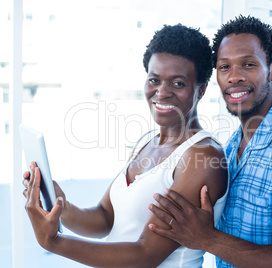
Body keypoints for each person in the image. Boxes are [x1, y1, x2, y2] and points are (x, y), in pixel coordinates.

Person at [22, 24, 228, 268]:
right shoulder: (147, 142)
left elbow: (146, 254)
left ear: (201, 90)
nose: (161, 93)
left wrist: (54, 242)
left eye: (178, 83)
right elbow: (105, 218)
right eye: (154, 79)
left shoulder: (202, 157)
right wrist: (60, 204)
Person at [148, 15, 272, 268]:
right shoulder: (233, 145)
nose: (234, 77)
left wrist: (208, 239)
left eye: (248, 65)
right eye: (224, 67)